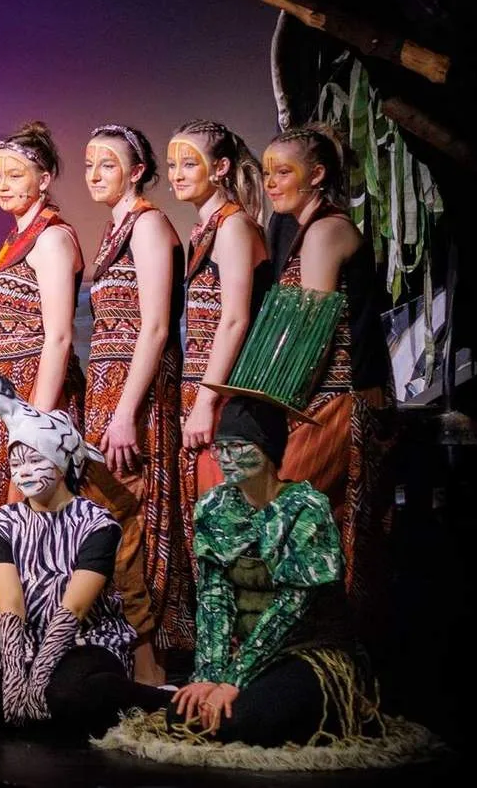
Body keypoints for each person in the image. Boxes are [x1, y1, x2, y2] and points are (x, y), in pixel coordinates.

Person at [98, 395, 406, 759]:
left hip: (308, 652)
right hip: (249, 654)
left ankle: (336, 705)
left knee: (237, 720)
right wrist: (208, 677)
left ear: (268, 450)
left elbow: (292, 607)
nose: (226, 458)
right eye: (221, 448)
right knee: (186, 714)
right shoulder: (215, 507)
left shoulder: (306, 509)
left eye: (239, 447)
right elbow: (214, 599)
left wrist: (233, 680)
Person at [0, 377, 166, 735]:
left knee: (66, 696)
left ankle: (153, 699)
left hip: (88, 641)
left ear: (60, 463)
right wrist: (15, 673)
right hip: (30, 644)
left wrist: (38, 676)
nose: (24, 472)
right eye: (16, 463)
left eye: (35, 459)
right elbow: (10, 604)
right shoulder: (5, 521)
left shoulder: (97, 523)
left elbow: (75, 609)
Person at [260, 125, 389, 607]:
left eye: (283, 172)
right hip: (321, 396)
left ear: (316, 175)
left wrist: (281, 405)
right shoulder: (305, 231)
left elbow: (311, 337)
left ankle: (326, 627)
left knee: (299, 514)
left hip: (336, 399)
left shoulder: (325, 231)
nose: (271, 183)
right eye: (267, 173)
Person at [79, 124, 189, 683]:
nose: (94, 174)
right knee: (111, 516)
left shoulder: (147, 224)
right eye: (89, 164)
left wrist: (125, 413)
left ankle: (151, 668)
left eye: (107, 164)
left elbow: (156, 327)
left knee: (130, 514)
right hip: (108, 387)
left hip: (134, 395)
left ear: (137, 171)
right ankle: (130, 659)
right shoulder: (114, 228)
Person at [0, 122, 84, 521]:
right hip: (5, 396)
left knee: (36, 514)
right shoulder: (14, 240)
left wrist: (34, 424)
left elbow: (59, 336)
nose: (2, 185)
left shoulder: (52, 238)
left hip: (35, 390)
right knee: (10, 522)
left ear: (45, 179)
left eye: (15, 175)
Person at [165, 120, 269, 507]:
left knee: (229, 514)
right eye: (172, 165)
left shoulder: (233, 226)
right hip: (206, 387)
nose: (177, 175)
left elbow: (235, 319)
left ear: (220, 167)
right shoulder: (207, 228)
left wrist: (205, 403)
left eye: (189, 164)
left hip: (229, 395)